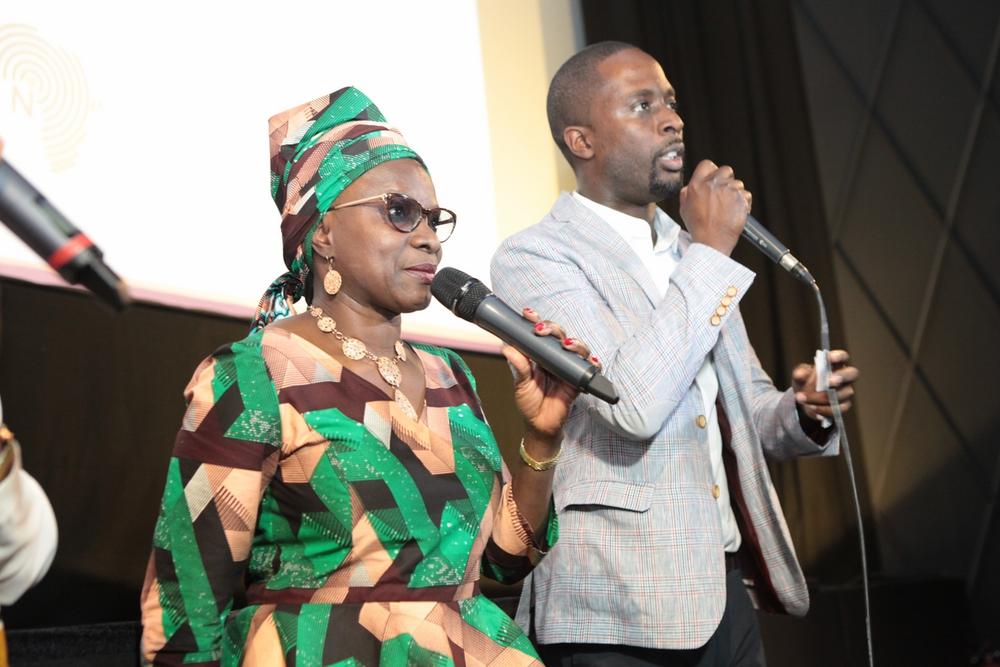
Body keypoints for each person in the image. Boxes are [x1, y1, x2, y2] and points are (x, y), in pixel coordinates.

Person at [139, 87, 593, 666]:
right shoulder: (254, 374)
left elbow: (505, 559)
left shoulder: (449, 374)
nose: (427, 237)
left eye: (435, 219)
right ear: (322, 231)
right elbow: (185, 599)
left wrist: (543, 439)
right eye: (399, 211)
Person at [490, 41, 860, 665]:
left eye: (670, 102)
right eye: (641, 106)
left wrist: (804, 411)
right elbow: (629, 404)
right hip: (613, 606)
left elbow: (746, 414)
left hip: (722, 592)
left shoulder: (692, 254)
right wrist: (713, 253)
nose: (672, 119)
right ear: (582, 141)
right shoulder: (537, 258)